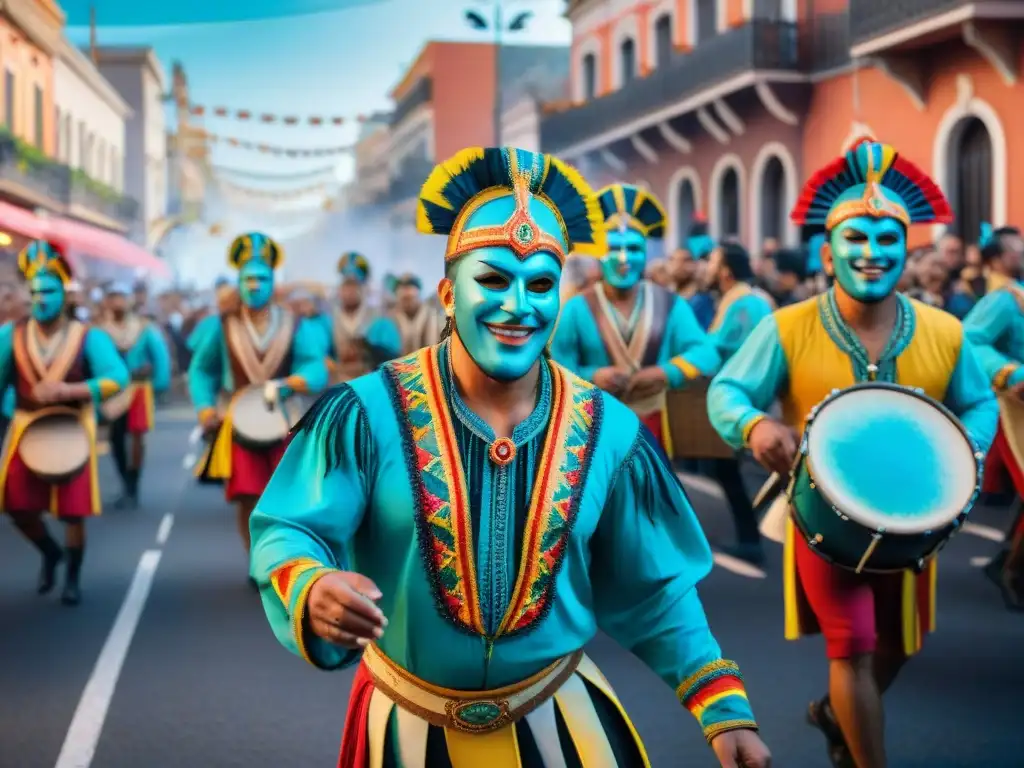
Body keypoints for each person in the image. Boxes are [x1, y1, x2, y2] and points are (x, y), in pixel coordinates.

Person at [250, 147, 770, 768]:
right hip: (404, 727)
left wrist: (722, 708)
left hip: (562, 723)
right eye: (494, 280)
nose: (519, 304)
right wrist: (311, 583)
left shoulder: (609, 431)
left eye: (541, 284)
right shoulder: (366, 413)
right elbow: (290, 527)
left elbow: (655, 590)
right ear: (449, 293)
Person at [707, 138, 997, 768]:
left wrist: (963, 453)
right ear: (828, 252)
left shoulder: (946, 332)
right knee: (853, 646)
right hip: (821, 521)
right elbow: (726, 390)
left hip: (916, 519)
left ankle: (834, 714)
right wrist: (755, 425)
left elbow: (979, 403)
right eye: (855, 238)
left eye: (887, 239)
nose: (872, 252)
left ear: (905, 250)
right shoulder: (786, 326)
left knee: (899, 644)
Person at [188, 232, 328, 571]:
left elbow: (315, 366)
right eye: (248, 279)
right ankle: (257, 562)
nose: (255, 285)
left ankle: (283, 558)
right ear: (238, 282)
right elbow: (201, 371)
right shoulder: (220, 326)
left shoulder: (294, 323)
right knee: (248, 498)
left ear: (272, 283)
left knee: (286, 499)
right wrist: (205, 409)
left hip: (285, 421)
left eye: (262, 278)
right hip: (238, 424)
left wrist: (291, 383)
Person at [0, 240, 129, 605]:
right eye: (35, 292)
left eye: (49, 291)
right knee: (15, 505)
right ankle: (50, 552)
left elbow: (117, 377)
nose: (41, 299)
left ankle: (72, 577)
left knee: (73, 513)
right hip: (26, 428)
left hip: (73, 427)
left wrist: (72, 389)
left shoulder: (88, 337)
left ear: (64, 294)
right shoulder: (11, 336)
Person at [550, 183, 719, 454]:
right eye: (613, 248)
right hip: (592, 431)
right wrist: (592, 375)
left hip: (654, 429)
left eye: (633, 248)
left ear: (646, 253)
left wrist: (666, 372)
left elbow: (707, 354)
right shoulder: (576, 309)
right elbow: (554, 370)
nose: (623, 258)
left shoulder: (669, 304)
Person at [962, 222, 1024, 610]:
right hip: (1016, 410)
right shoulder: (1003, 300)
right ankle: (1012, 572)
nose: (1022, 252)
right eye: (1015, 248)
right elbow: (968, 341)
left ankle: (1007, 561)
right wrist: (1010, 374)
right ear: (996, 259)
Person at [701, 242, 774, 565]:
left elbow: (717, 348)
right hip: (747, 400)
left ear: (726, 271)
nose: (707, 268)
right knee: (730, 469)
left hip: (740, 401)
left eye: (713, 262)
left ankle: (750, 539)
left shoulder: (743, 304)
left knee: (728, 469)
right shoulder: (746, 300)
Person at [99, 282, 173, 509]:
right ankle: (125, 481)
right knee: (115, 437)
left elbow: (160, 357)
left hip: (139, 388)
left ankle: (133, 485)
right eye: (113, 297)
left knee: (136, 438)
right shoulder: (100, 331)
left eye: (121, 297)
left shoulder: (143, 327)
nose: (117, 302)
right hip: (112, 390)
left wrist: (159, 384)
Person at [321, 252, 401, 383]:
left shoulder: (377, 316)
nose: (350, 291)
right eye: (346, 285)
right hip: (337, 380)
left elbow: (390, 357)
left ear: (363, 288)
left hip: (370, 380)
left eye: (354, 285)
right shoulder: (329, 315)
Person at [389, 272, 443, 354]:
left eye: (409, 298)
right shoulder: (392, 318)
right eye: (404, 299)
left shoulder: (431, 317)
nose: (407, 303)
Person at [669, 246, 715, 330]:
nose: (678, 265)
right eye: (673, 260)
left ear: (695, 265)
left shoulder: (701, 301)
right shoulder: (670, 297)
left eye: (685, 261)